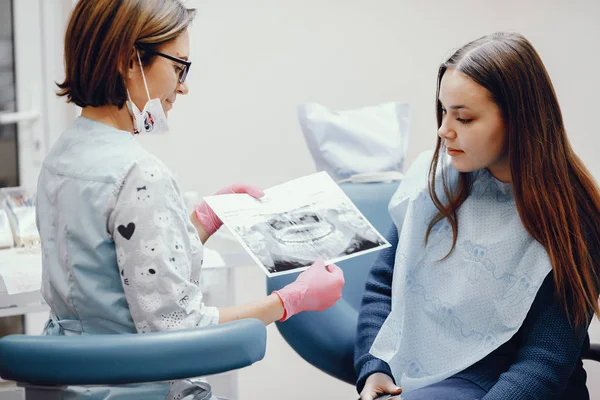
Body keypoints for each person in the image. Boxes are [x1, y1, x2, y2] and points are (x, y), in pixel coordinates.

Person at [36, 1, 344, 399]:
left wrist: (200, 222)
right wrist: (289, 300)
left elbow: (116, 278)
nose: (183, 86)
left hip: (68, 385)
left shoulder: (59, 158)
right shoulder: (138, 172)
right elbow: (183, 330)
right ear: (129, 60)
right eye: (178, 66)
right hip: (137, 387)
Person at [355, 32, 600, 400]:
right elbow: (382, 287)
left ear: (518, 120)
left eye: (464, 118)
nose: (443, 130)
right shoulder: (432, 184)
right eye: (443, 111)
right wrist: (374, 368)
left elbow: (544, 360)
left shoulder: (570, 215)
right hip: (424, 379)